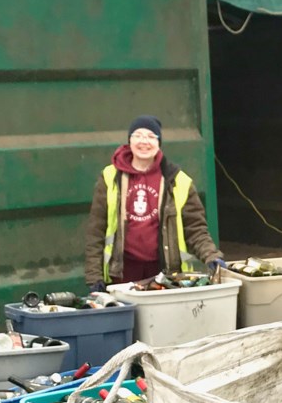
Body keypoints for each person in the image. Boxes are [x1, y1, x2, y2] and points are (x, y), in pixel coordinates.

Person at [84, 116, 225, 291]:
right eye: (138, 135)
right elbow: (95, 231)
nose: (144, 142)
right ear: (130, 140)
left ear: (159, 143)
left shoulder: (178, 181)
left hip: (165, 275)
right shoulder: (110, 177)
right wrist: (93, 276)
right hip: (122, 273)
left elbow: (195, 229)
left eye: (151, 136)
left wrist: (211, 256)